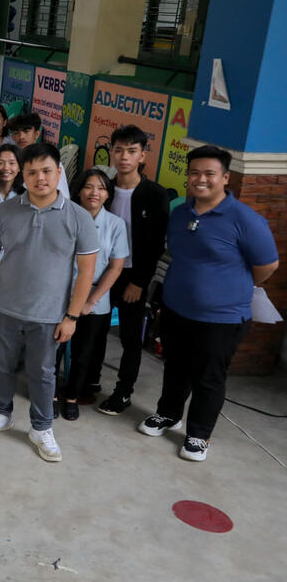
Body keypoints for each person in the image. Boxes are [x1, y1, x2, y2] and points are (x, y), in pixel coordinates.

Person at [137, 145, 277, 462]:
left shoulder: (245, 219)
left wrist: (232, 287)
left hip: (222, 318)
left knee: (208, 377)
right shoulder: (181, 213)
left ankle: (199, 434)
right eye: (195, 173)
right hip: (176, 309)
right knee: (175, 368)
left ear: (225, 178)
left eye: (209, 174)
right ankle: (168, 414)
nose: (200, 179)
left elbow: (267, 266)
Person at [0, 142, 99, 463]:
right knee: (0, 365)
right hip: (3, 308)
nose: (39, 178)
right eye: (32, 172)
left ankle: (41, 427)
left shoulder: (79, 218)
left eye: (46, 171)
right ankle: (0, 412)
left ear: (59, 173)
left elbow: (86, 272)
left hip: (50, 315)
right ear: (22, 176)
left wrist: (71, 316)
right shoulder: (5, 211)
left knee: (43, 372)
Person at [95, 125, 171, 416]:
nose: (124, 156)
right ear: (111, 152)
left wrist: (140, 281)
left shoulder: (154, 194)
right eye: (118, 150)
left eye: (131, 151)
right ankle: (89, 382)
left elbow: (154, 244)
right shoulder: (103, 188)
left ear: (142, 155)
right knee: (95, 331)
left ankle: (123, 392)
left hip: (132, 277)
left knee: (129, 339)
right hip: (101, 273)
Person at [59, 168, 128, 421]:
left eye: (101, 188)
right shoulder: (65, 217)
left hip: (95, 298)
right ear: (79, 190)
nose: (94, 193)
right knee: (54, 347)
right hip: (60, 292)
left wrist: (90, 301)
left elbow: (116, 267)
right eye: (89, 186)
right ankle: (52, 394)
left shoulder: (116, 225)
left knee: (84, 352)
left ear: (108, 193)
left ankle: (72, 397)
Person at [8, 112, 70, 199]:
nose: (21, 136)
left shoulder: (50, 161)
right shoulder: (9, 160)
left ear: (36, 134)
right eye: (16, 133)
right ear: (13, 137)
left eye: (26, 131)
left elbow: (63, 196)